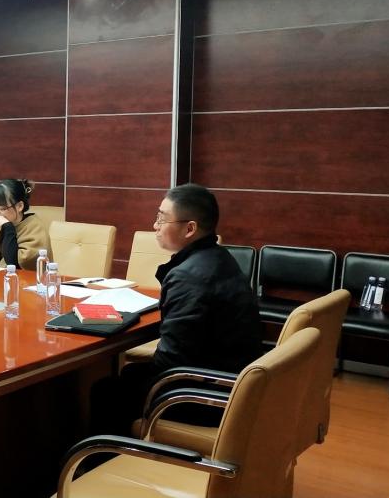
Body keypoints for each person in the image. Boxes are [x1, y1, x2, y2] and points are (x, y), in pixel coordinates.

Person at [89, 183, 262, 435]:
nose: (155, 225)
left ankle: (102, 456)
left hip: (205, 396)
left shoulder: (188, 277)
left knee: (106, 391)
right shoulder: (220, 257)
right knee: (129, 374)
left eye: (162, 218)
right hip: (230, 383)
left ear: (189, 228)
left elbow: (172, 362)